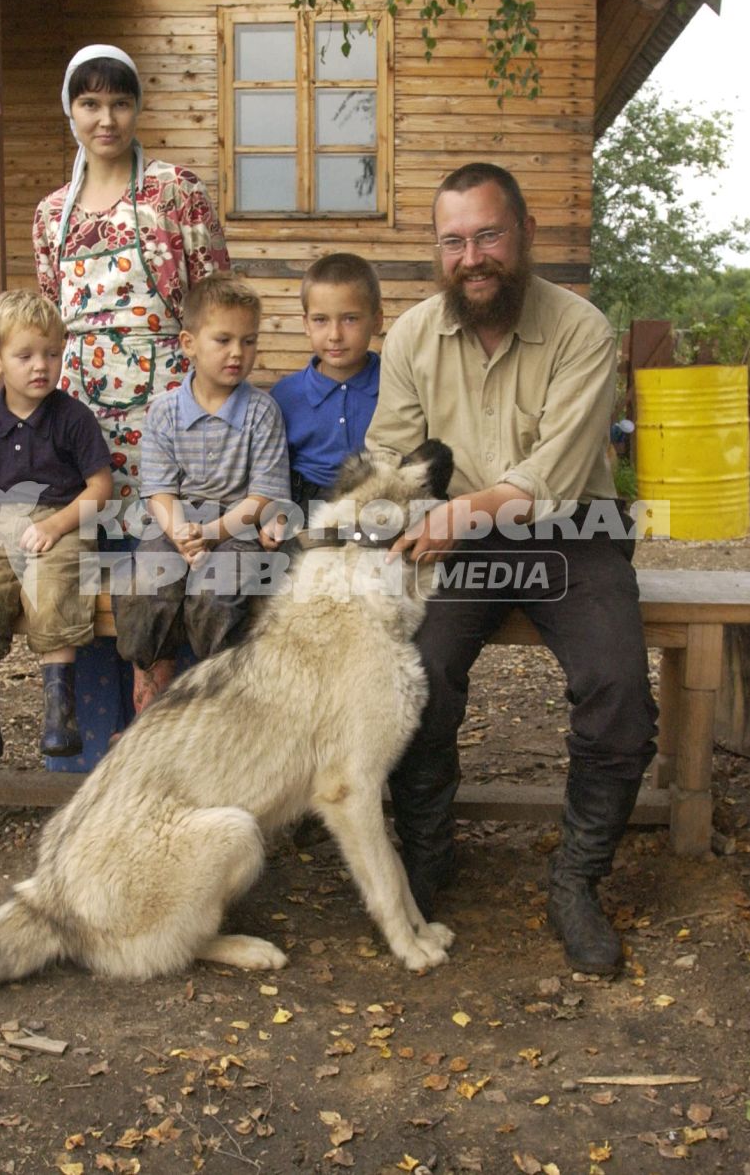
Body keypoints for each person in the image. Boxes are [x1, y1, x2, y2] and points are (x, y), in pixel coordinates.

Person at [365, 162, 657, 977]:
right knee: (416, 675)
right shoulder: (417, 336)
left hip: (570, 531)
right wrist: (415, 514)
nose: (472, 257)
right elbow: (391, 454)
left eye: (488, 235)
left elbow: (553, 481)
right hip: (454, 539)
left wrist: (460, 512)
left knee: (618, 689)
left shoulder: (581, 330)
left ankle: (576, 880)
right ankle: (428, 855)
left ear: (524, 233)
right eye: (453, 241)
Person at [35, 44, 230, 767]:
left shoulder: (175, 191)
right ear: (71, 111)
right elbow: (50, 324)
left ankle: (166, 754)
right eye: (89, 103)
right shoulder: (50, 214)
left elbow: (215, 300)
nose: (105, 118)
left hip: (167, 417)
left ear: (137, 107)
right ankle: (86, 757)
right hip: (84, 422)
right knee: (89, 572)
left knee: (162, 569)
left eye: (119, 102)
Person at [0, 289, 114, 773]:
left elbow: (100, 487)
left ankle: (60, 718)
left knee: (56, 587)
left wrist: (58, 525)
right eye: (25, 356)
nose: (41, 366)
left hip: (64, 520)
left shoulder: (72, 418)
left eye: (52, 354)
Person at [115, 274, 290, 692]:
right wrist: (181, 534)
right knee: (144, 584)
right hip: (175, 525)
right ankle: (151, 679)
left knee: (218, 590)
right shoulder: (164, 412)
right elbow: (159, 490)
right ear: (189, 343)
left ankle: (218, 691)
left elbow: (262, 497)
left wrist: (210, 534)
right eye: (223, 340)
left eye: (249, 341)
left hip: (236, 531)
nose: (237, 353)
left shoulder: (262, 413)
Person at [270, 252, 384, 510]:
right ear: (306, 324)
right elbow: (271, 473)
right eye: (320, 320)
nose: (335, 335)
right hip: (306, 507)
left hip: (378, 503)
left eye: (350, 319)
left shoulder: (396, 385)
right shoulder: (285, 396)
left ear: (376, 321)